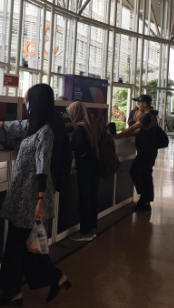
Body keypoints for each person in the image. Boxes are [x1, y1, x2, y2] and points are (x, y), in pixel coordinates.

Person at [0, 84, 70, 306]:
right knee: (20, 246)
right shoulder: (34, 126)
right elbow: (10, 126)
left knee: (17, 245)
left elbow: (42, 165)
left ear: (37, 102)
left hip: (31, 198)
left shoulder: (46, 132)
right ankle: (47, 280)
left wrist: (41, 200)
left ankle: (16, 290)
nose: (25, 104)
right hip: (23, 195)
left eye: (27, 100)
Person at [112, 95, 157, 213]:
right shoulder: (152, 115)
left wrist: (117, 136)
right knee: (146, 175)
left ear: (145, 104)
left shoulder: (147, 116)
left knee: (135, 171)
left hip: (147, 151)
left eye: (139, 103)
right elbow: (139, 131)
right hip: (149, 150)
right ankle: (145, 202)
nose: (138, 105)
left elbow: (133, 128)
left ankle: (144, 197)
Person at [67, 102, 101, 242]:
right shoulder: (93, 124)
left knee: (84, 198)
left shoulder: (80, 127)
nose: (70, 116)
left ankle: (85, 232)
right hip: (95, 164)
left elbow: (79, 147)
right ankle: (92, 228)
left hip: (85, 166)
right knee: (92, 196)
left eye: (70, 113)